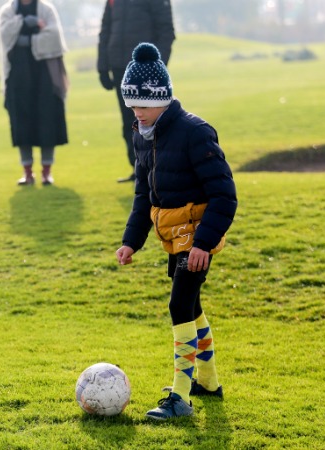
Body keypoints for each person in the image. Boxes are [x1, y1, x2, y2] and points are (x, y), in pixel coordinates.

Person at [114, 43, 237, 420]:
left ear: (164, 100)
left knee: (179, 305)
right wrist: (131, 241)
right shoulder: (143, 135)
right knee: (192, 307)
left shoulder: (194, 133)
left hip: (197, 235)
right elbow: (143, 193)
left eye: (143, 107)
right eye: (132, 107)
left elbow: (224, 195)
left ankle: (181, 397)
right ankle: (209, 382)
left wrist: (204, 242)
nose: (137, 114)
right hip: (173, 235)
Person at [97, 0, 175, 183]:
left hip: (145, 68)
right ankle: (138, 169)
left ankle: (158, 169)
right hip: (119, 67)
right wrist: (102, 67)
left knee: (151, 121)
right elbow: (105, 30)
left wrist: (157, 66)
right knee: (128, 122)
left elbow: (166, 31)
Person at [0, 0, 69, 186]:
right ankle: (27, 172)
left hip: (45, 75)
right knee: (22, 123)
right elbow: (5, 36)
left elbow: (54, 36)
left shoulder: (46, 9)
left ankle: (47, 172)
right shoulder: (7, 11)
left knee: (48, 121)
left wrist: (25, 40)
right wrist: (26, 21)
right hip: (18, 77)